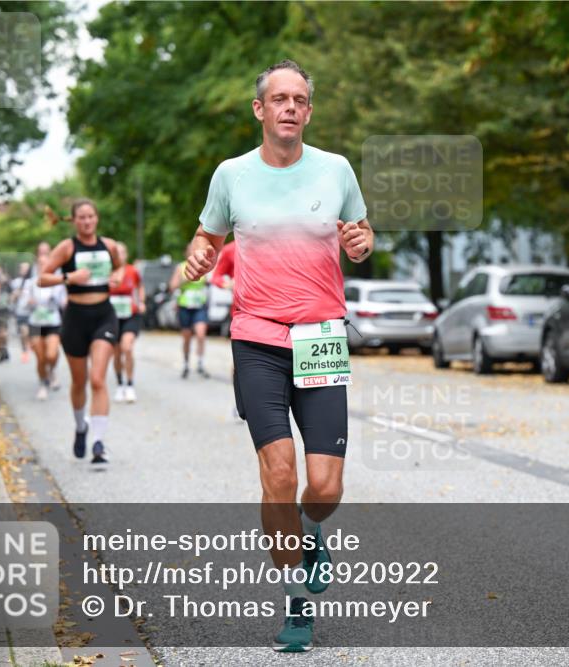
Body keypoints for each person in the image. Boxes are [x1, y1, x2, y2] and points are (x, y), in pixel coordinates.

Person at [185, 59, 373, 652]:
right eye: (279, 99)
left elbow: (362, 236)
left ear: (308, 111)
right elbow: (208, 236)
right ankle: (296, 606)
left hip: (320, 337)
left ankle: (312, 528)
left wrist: (362, 242)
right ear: (260, 110)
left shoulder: (336, 169)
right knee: (280, 472)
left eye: (300, 100)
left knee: (324, 486)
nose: (290, 107)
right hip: (257, 338)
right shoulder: (231, 175)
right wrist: (198, 256)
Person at [38, 200, 122, 464]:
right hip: (75, 319)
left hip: (104, 316)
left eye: (90, 216)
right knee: (79, 381)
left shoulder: (109, 246)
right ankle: (80, 427)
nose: (86, 221)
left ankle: (98, 443)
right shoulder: (67, 247)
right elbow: (42, 278)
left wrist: (117, 277)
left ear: (97, 218)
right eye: (81, 218)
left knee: (98, 379)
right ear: (74, 220)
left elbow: (119, 265)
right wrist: (68, 278)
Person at [27, 242, 65, 400]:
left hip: (53, 322)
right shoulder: (30, 282)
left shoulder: (57, 281)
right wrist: (28, 302)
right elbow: (23, 302)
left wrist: (61, 301)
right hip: (35, 323)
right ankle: (43, 383)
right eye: (40, 263)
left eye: (46, 263)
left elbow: (64, 300)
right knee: (40, 357)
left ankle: (52, 371)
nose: (43, 266)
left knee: (51, 354)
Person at [108, 242, 145, 403]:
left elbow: (140, 287)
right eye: (116, 252)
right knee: (116, 352)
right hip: (112, 316)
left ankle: (130, 385)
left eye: (122, 252)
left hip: (131, 314)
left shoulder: (132, 271)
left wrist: (141, 301)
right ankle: (119, 384)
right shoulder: (107, 272)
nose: (119, 255)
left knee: (127, 347)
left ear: (126, 254)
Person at [169, 244, 210, 378]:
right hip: (185, 306)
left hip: (199, 305)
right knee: (187, 337)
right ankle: (186, 363)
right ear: (186, 253)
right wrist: (185, 279)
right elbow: (172, 286)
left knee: (200, 334)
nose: (192, 253)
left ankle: (200, 363)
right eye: (190, 251)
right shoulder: (181, 267)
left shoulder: (203, 266)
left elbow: (209, 282)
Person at [10, 262, 34, 363]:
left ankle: (28, 348)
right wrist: (15, 295)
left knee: (30, 334)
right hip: (20, 311)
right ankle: (24, 350)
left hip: (32, 311)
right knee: (24, 332)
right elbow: (11, 298)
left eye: (26, 269)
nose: (25, 270)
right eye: (23, 269)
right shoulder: (15, 282)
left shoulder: (34, 281)